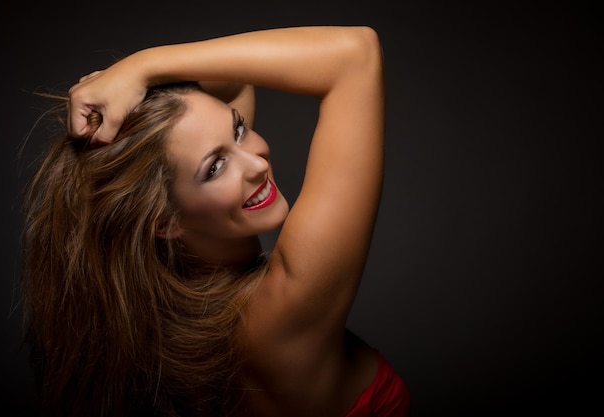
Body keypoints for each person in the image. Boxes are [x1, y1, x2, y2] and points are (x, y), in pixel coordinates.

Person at [21, 26, 410, 417]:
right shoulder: (283, 308)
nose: (258, 162)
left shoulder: (170, 313)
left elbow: (226, 81)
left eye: (239, 130)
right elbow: (354, 55)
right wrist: (141, 68)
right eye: (216, 167)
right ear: (166, 221)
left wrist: (132, 84)